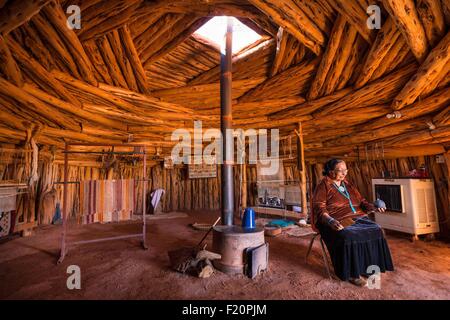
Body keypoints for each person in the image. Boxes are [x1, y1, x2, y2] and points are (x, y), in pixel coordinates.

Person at [312, 158, 394, 286]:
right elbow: (319, 209)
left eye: (346, 170)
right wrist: (330, 220)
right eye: (341, 170)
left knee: (376, 229)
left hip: (357, 217)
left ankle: (367, 268)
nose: (344, 173)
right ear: (330, 171)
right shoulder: (323, 186)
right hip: (335, 220)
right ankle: (352, 273)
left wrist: (374, 206)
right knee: (349, 235)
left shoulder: (348, 185)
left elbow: (362, 202)